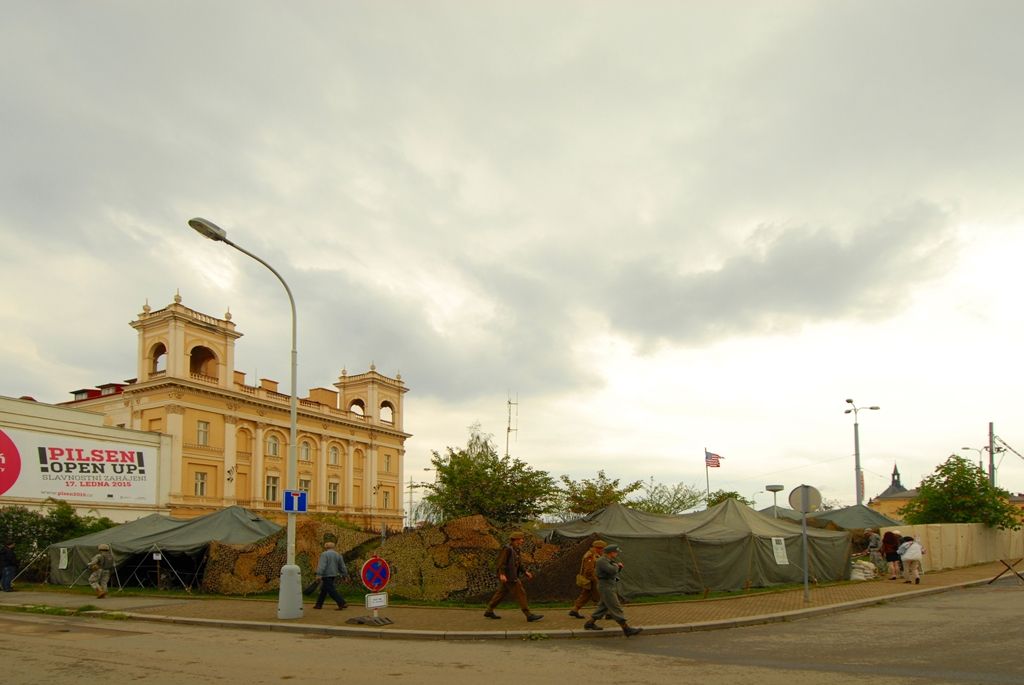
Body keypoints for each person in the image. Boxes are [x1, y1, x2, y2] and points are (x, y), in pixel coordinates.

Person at [583, 544, 642, 637]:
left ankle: (589, 623)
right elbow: (611, 570)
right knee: (615, 607)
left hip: (609, 585)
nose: (617, 554)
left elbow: (613, 572)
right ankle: (626, 629)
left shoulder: (608, 560)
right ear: (611, 552)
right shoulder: (602, 561)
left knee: (603, 607)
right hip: (605, 586)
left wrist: (619, 567)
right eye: (616, 552)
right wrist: (617, 566)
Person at [483, 531, 543, 622]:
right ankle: (528, 614)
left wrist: (525, 572)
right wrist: (502, 574)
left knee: (501, 593)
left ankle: (489, 610)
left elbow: (518, 563)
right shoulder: (507, 549)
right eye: (521, 539)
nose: (522, 541)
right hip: (509, 576)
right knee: (521, 593)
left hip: (510, 576)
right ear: (515, 540)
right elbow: (501, 563)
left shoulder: (516, 549)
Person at [569, 539, 607, 618]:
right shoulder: (590, 556)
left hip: (591, 579)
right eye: (602, 548)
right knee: (602, 595)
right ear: (598, 548)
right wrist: (596, 579)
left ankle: (575, 610)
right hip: (592, 580)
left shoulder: (595, 554)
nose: (603, 551)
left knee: (585, 595)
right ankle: (606, 613)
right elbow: (589, 570)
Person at [313, 541, 349, 610]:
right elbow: (342, 566)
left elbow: (322, 565)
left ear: (326, 547)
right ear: (333, 547)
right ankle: (318, 604)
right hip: (333, 574)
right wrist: (345, 574)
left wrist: (319, 574)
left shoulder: (324, 554)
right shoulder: (338, 555)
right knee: (324, 590)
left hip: (326, 575)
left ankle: (341, 602)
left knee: (331, 590)